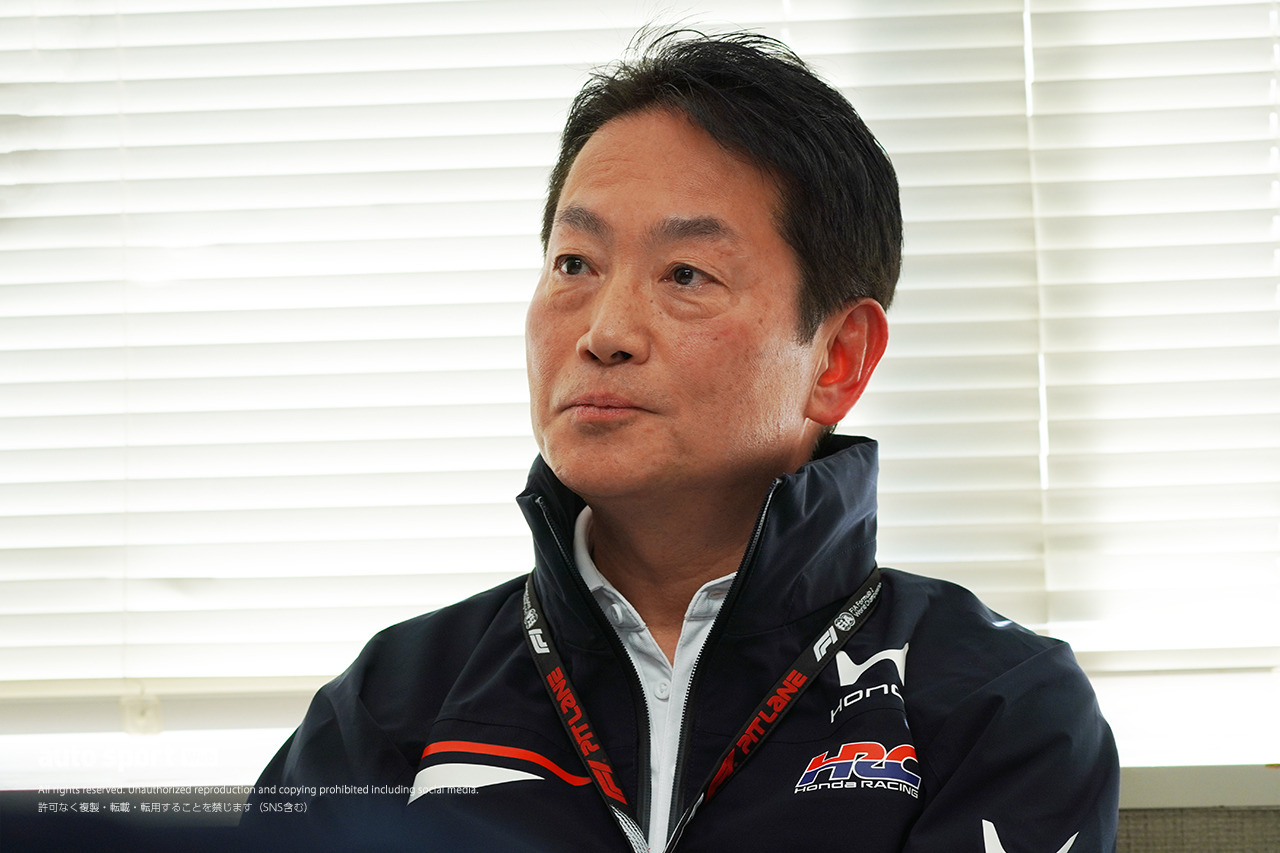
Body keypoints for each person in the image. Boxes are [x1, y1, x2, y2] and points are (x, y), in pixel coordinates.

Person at [244, 30, 1120, 853]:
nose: (605, 332)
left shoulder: (996, 702)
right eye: (575, 264)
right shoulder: (392, 703)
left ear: (838, 358)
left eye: (686, 274)